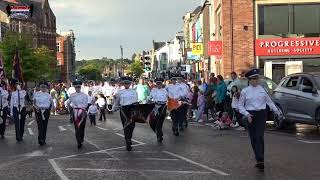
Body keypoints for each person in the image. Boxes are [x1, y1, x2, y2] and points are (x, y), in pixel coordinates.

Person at [238, 69, 281, 171]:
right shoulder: (245, 91)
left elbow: (269, 102)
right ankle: (258, 159)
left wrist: (277, 111)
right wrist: (247, 114)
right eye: (254, 79)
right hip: (250, 115)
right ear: (249, 80)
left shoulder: (262, 89)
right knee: (253, 138)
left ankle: (261, 160)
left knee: (259, 136)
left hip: (261, 115)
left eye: (257, 78)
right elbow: (240, 106)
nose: (256, 81)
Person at [113, 77, 138, 151]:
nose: (127, 84)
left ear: (130, 84)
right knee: (126, 126)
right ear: (123, 84)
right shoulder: (120, 92)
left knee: (132, 125)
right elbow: (117, 102)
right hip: (124, 110)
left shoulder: (134, 91)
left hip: (132, 110)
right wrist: (114, 108)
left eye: (128, 83)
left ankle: (129, 137)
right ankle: (128, 140)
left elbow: (136, 101)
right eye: (125, 83)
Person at [67, 80, 89, 149]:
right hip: (75, 112)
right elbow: (68, 103)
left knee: (82, 127)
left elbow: (86, 104)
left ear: (80, 87)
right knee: (77, 127)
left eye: (79, 87)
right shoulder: (72, 95)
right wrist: (70, 109)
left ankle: (81, 139)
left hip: (82, 112)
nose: (78, 88)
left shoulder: (84, 95)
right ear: (74, 87)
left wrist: (81, 108)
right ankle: (78, 141)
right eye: (76, 87)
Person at [33, 81, 53, 146]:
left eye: (44, 87)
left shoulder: (48, 95)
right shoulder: (36, 94)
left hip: (46, 111)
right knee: (40, 126)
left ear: (46, 87)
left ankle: (43, 139)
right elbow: (34, 103)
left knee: (45, 126)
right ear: (40, 87)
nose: (43, 88)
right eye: (42, 87)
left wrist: (50, 110)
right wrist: (36, 108)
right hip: (39, 111)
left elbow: (51, 104)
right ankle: (40, 139)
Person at [150, 78, 168, 143]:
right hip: (155, 106)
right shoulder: (153, 90)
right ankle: (159, 133)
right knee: (154, 121)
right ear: (156, 84)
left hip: (163, 107)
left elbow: (167, 98)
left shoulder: (164, 90)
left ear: (162, 84)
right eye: (157, 83)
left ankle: (159, 134)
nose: (159, 85)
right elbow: (150, 97)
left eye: (160, 83)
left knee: (160, 121)